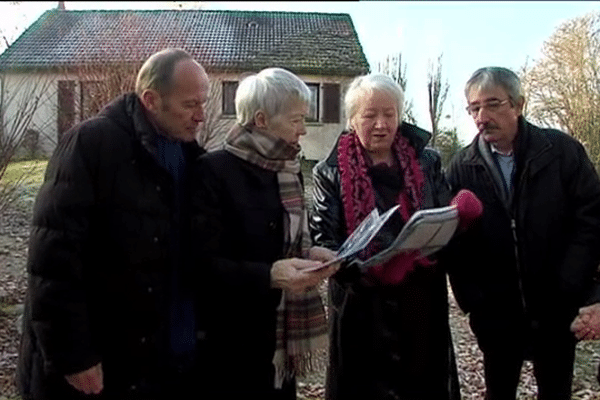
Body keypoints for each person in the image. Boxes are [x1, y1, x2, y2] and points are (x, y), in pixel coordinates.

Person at [17, 48, 211, 399]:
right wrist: (74, 358)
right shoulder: (90, 145)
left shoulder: (192, 158)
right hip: (100, 362)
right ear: (151, 100)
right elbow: (52, 261)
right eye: (189, 105)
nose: (201, 116)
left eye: (203, 103)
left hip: (163, 360)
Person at [445, 66, 600, 399]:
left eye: (492, 104)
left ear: (518, 104)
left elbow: (591, 220)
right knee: (498, 392)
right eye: (474, 108)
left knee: (556, 391)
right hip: (496, 313)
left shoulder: (561, 152)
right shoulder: (461, 167)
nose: (482, 116)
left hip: (556, 306)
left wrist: (572, 285)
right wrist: (473, 301)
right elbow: (455, 243)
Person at [309, 73, 461, 400]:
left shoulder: (426, 160)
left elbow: (443, 214)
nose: (381, 124)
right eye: (370, 115)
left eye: (389, 114)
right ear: (352, 120)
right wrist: (359, 266)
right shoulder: (329, 170)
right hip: (362, 303)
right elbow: (325, 237)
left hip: (420, 300)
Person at [195, 67, 339, 399]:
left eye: (305, 119)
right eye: (295, 120)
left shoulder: (289, 168)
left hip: (280, 340)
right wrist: (268, 276)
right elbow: (200, 263)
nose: (303, 130)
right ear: (261, 120)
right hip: (229, 345)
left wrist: (311, 255)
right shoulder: (213, 171)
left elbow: (290, 241)